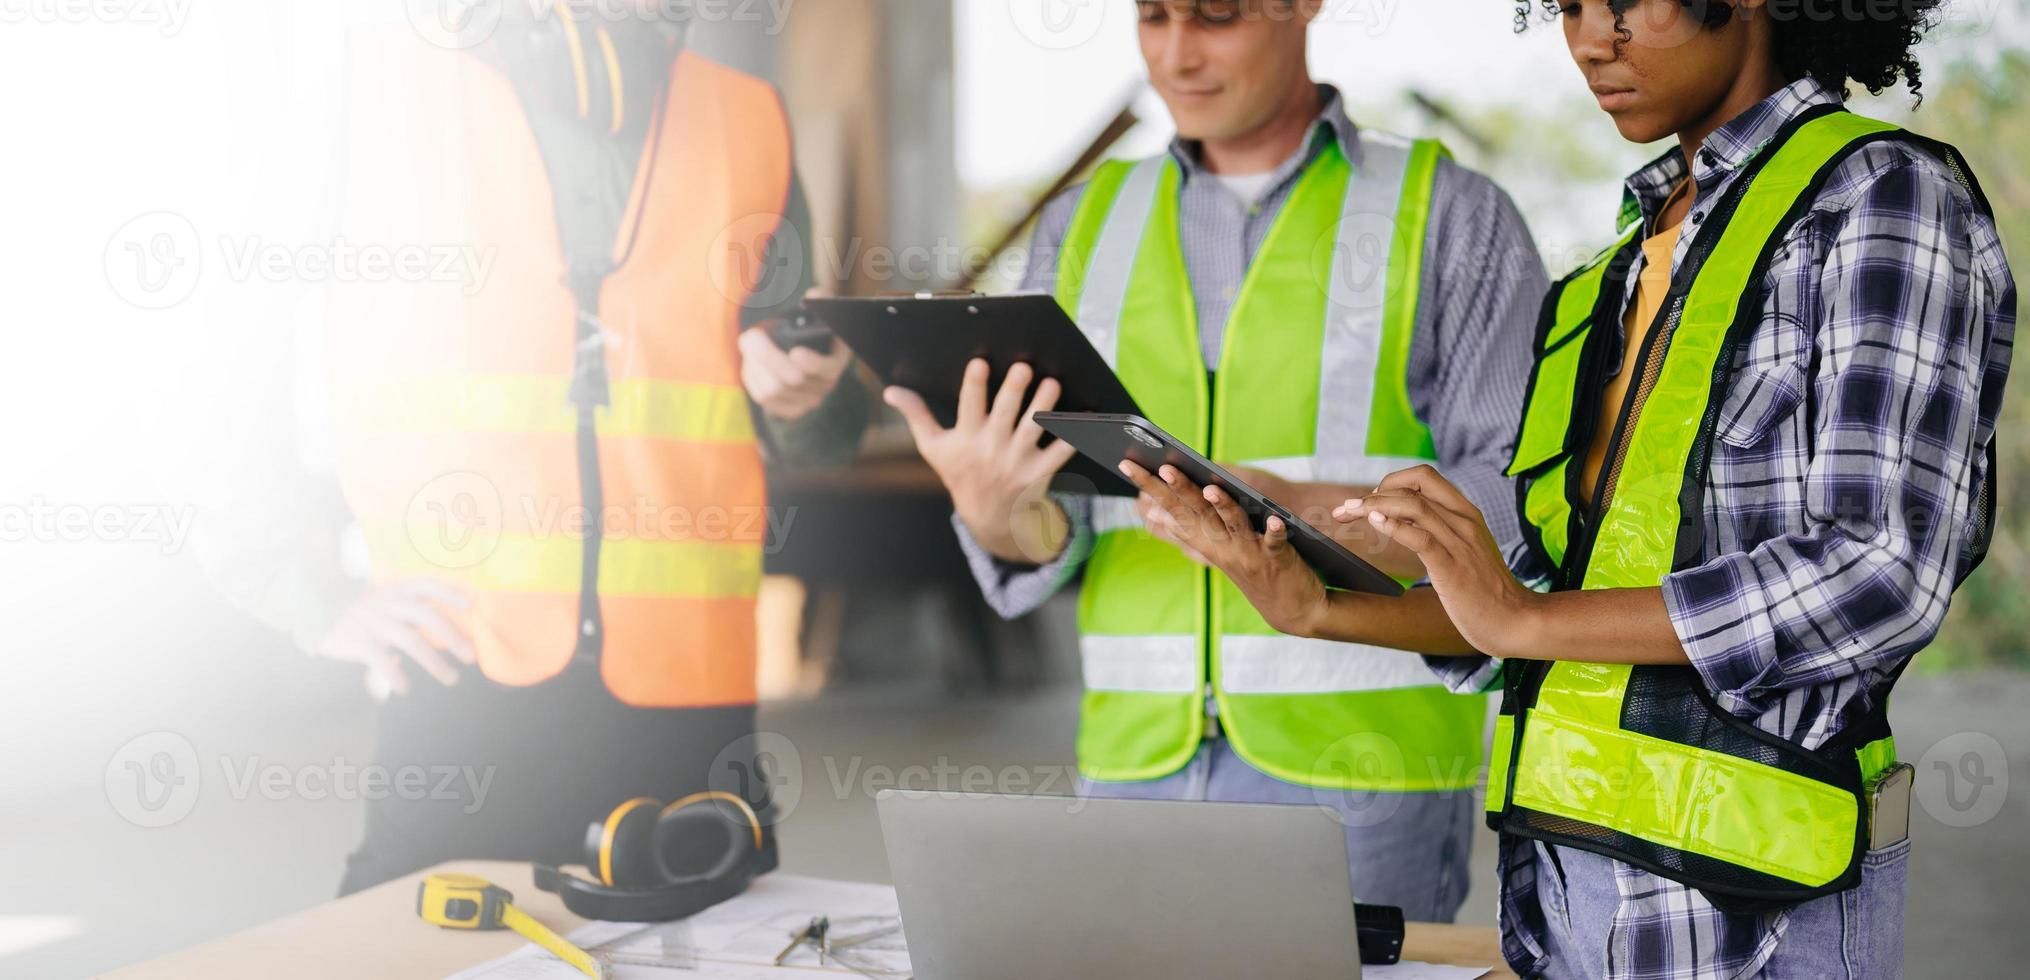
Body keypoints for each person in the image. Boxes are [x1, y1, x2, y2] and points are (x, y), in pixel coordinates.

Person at [1124, 0, 2014, 974]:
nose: (1592, 39)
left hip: (1751, 923)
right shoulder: (1604, 280)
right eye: (1570, 7)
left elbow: (1874, 570)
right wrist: (1318, 608)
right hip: (1562, 898)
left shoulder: (1879, 199)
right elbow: (1544, 604)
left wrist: (1521, 620)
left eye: (1627, 2)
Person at [885, 0, 1548, 921]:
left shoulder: (1452, 215)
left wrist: (1295, 508)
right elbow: (1060, 532)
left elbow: (1515, 506)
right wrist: (997, 512)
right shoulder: (1082, 225)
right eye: (1153, 18)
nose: (1176, 55)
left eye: (1216, 17)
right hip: (1132, 768)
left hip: (1364, 773)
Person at [193, 2, 870, 894]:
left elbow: (820, 429)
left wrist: (811, 398)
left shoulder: (747, 118)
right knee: (414, 951)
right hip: (461, 671)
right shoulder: (368, 93)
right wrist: (306, 591)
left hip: (689, 691)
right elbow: (218, 349)